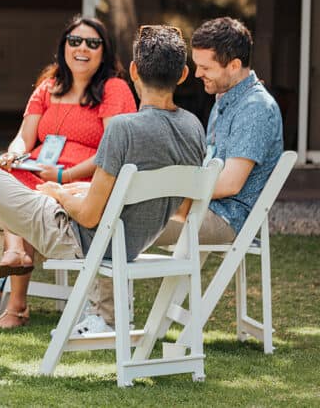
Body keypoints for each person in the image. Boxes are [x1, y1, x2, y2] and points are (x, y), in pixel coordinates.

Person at [0, 25, 205, 356]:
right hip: (125, 242)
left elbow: (88, 215)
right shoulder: (194, 128)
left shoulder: (123, 130)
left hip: (74, 236)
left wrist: (58, 193)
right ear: (184, 74)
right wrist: (80, 190)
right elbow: (181, 210)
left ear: (133, 71)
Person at [78, 17, 284, 335]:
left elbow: (230, 183)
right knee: (110, 208)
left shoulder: (255, 109)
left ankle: (107, 318)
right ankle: (105, 312)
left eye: (205, 67)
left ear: (234, 65)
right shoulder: (227, 100)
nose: (197, 73)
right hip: (198, 207)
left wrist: (166, 188)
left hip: (225, 220)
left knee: (112, 217)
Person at [0, 16, 135, 328]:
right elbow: (24, 137)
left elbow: (114, 150)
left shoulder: (114, 88)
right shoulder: (48, 87)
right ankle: (16, 261)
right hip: (40, 172)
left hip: (84, 179)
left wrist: (63, 177)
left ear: (104, 51)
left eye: (92, 43)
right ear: (64, 47)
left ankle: (16, 305)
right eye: (75, 41)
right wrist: (15, 154)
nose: (82, 48)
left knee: (22, 195)